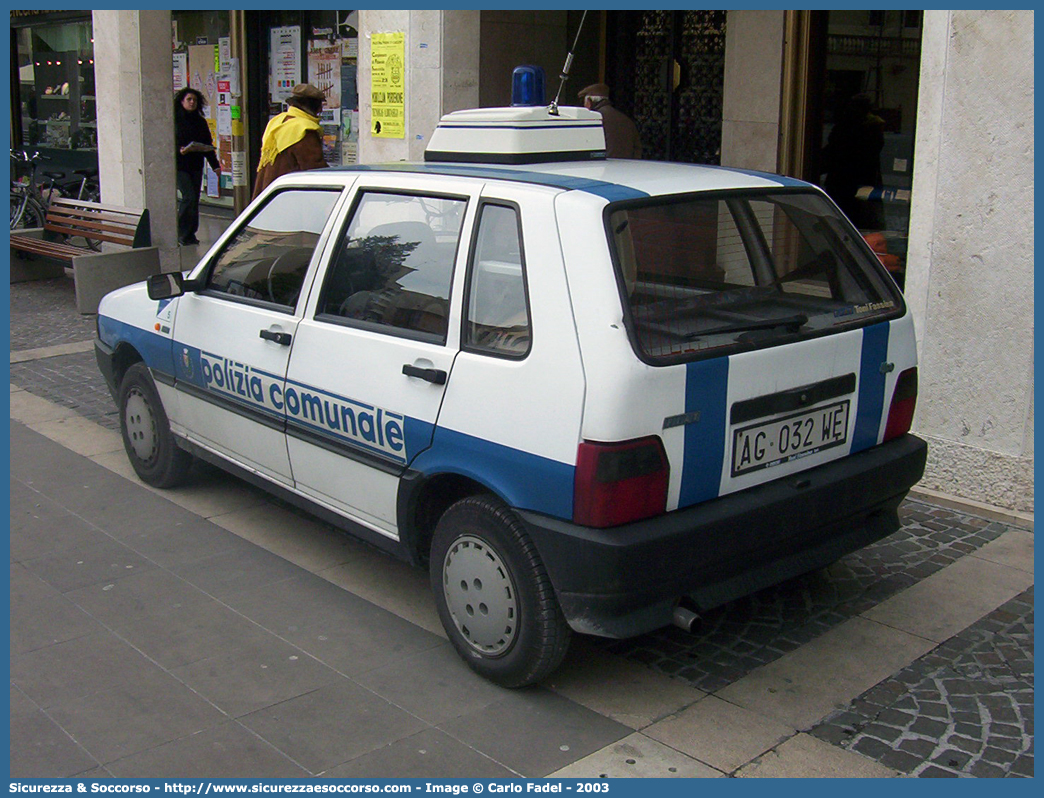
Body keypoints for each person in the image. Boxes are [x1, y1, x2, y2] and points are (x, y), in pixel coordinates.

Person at [252, 83, 329, 200]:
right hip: (289, 198)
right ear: (311, 105)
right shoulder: (304, 129)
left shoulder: (278, 121)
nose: (321, 110)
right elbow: (315, 169)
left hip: (268, 194)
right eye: (319, 105)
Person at [821, 93, 886, 230]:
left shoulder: (856, 128)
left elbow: (836, 151)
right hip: (855, 180)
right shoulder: (866, 127)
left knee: (848, 219)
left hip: (850, 181)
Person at [174, 87, 221, 245]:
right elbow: (167, 143)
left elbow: (207, 144)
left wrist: (215, 165)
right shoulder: (174, 120)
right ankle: (180, 232)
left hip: (195, 164)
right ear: (182, 101)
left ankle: (190, 234)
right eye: (189, 99)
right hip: (179, 165)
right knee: (188, 197)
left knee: (194, 200)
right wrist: (179, 150)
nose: (192, 102)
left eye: (194, 100)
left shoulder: (200, 122)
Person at [577, 83, 642, 159]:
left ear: (589, 102)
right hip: (628, 168)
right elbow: (637, 149)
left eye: (584, 102)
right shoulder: (627, 120)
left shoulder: (593, 121)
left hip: (602, 169)